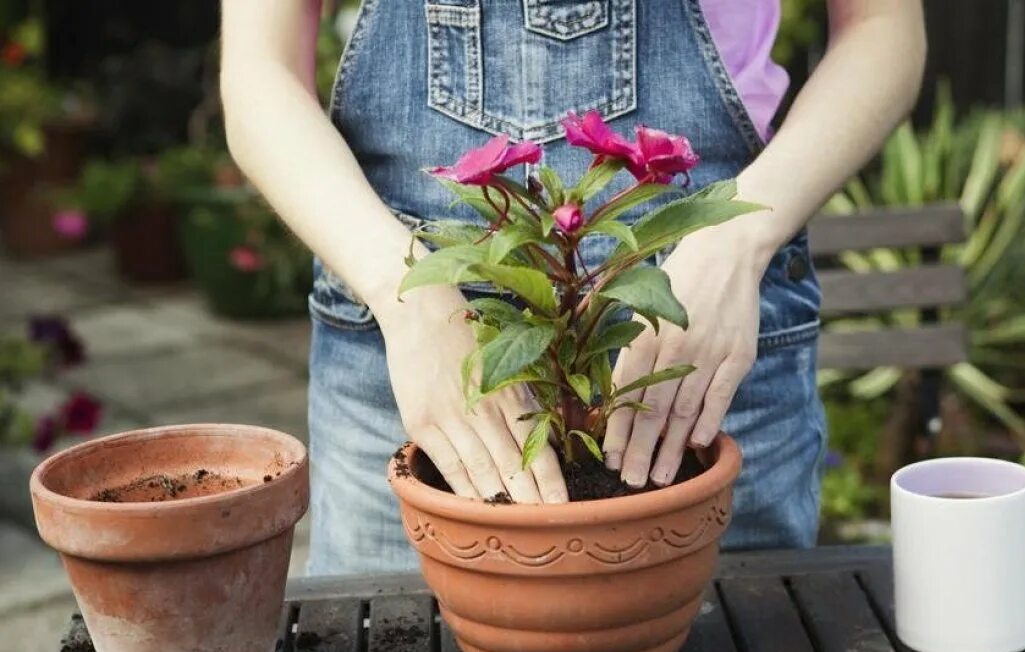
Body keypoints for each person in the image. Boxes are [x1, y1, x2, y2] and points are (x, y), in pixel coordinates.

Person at [220, 0, 926, 575]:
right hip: (414, 359)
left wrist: (738, 237)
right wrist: (405, 291)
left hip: (698, 346)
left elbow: (882, 26)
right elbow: (260, 70)